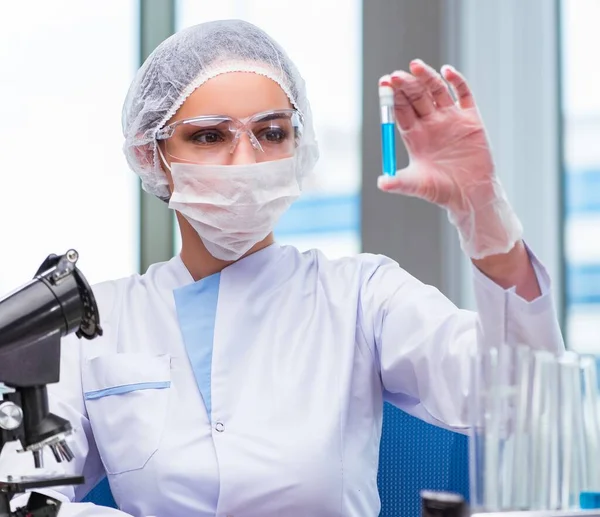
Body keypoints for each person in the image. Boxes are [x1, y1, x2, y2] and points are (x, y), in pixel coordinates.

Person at [0, 19, 563, 517]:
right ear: (152, 155)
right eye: (210, 136)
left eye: (271, 134)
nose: (245, 162)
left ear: (300, 145)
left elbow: (520, 398)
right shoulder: (95, 324)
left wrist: (482, 213)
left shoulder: (362, 295)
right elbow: (24, 494)